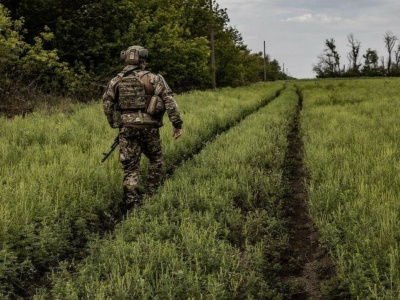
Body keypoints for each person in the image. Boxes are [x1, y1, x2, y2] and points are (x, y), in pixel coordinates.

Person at [102, 45, 183, 206]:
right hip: (149, 128)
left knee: (130, 167)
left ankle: (132, 202)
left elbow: (107, 104)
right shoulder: (153, 78)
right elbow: (169, 101)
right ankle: (154, 194)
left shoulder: (116, 80)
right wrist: (177, 123)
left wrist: (115, 123)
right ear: (143, 61)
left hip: (127, 128)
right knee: (156, 159)